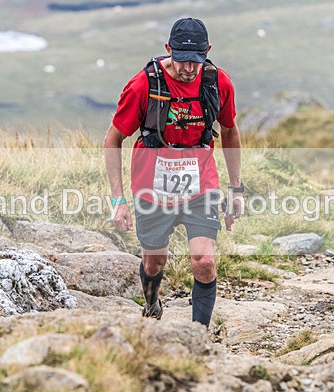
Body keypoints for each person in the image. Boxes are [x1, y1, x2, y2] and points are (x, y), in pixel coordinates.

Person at [104, 17, 243, 328]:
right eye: (181, 60)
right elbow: (113, 139)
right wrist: (118, 200)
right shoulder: (144, 85)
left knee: (204, 261)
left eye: (196, 61)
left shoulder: (217, 82)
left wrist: (236, 188)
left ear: (207, 52)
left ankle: (198, 336)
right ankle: (152, 302)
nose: (188, 69)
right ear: (168, 49)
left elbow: (230, 132)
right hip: (151, 185)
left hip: (200, 184)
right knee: (154, 262)